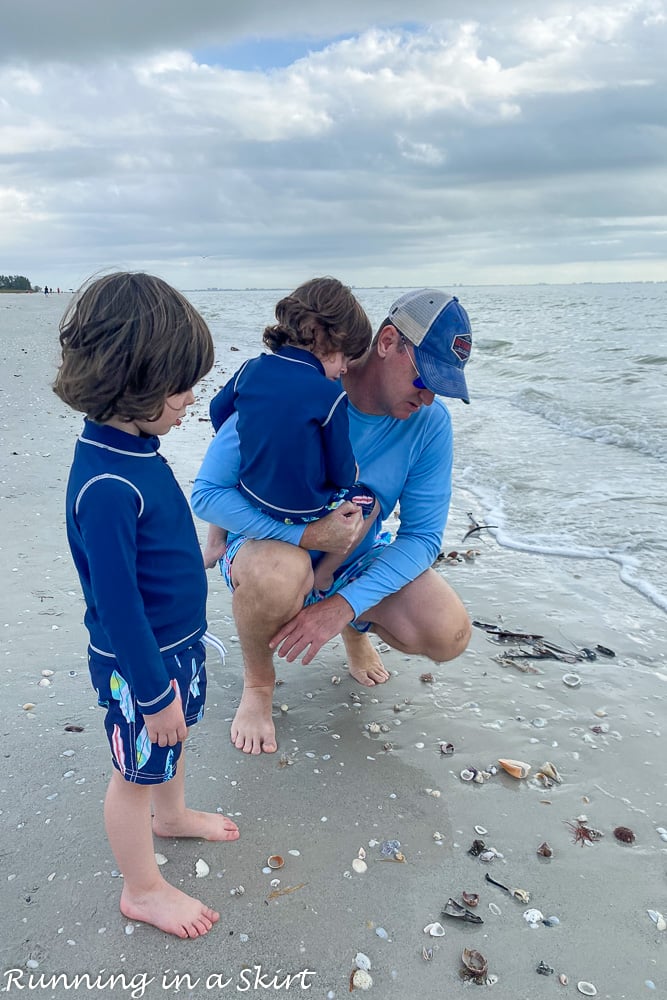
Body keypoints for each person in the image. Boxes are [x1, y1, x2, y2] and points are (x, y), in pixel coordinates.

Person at [192, 287, 473, 755]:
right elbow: (208, 493)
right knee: (281, 573)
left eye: (440, 389)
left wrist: (343, 605)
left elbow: (422, 537)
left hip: (352, 555)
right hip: (266, 551)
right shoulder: (287, 391)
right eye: (424, 379)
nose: (427, 399)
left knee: (449, 633)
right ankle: (258, 684)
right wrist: (302, 534)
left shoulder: (431, 424)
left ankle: (354, 627)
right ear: (386, 342)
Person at [53, 272, 239, 938]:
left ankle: (173, 815)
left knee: (175, 736)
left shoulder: (130, 448)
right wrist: (151, 691)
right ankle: (142, 886)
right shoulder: (105, 482)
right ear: (130, 381)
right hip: (142, 659)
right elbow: (117, 600)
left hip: (173, 646)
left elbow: (152, 549)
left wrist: (201, 559)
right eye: (180, 385)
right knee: (134, 767)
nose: (192, 398)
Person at [203, 277, 378, 592]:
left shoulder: (250, 369)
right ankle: (325, 574)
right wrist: (353, 473)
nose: (346, 369)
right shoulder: (329, 395)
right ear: (322, 337)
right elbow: (341, 474)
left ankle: (216, 541)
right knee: (368, 499)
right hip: (303, 513)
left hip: (254, 498)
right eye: (345, 356)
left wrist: (253, 439)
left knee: (235, 474)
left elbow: (218, 411)